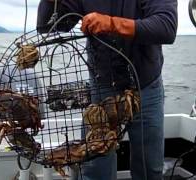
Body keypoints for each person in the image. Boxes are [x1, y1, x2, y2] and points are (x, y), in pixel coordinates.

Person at [36, 0, 178, 179]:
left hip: (145, 87)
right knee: (96, 169)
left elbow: (166, 27)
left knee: (149, 168)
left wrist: (111, 23)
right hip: (102, 86)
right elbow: (49, 26)